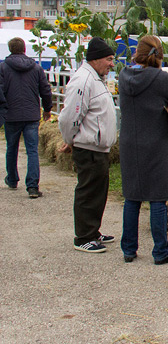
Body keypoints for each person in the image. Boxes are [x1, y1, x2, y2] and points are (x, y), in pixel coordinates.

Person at [118, 35, 168, 265]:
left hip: (128, 142)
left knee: (132, 197)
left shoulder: (123, 76)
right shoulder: (161, 78)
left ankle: (128, 249)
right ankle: (160, 251)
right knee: (158, 198)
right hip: (155, 141)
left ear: (138, 52)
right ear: (159, 55)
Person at [58, 37, 118, 253]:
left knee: (98, 191)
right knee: (88, 191)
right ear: (95, 59)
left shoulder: (95, 78)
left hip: (98, 147)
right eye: (109, 59)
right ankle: (83, 236)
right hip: (89, 147)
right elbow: (70, 116)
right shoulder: (83, 80)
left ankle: (93, 231)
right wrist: (69, 139)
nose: (112, 64)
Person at [0, 37, 52, 198]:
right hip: (31, 114)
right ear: (24, 49)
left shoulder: (3, 68)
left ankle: (13, 179)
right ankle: (32, 186)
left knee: (12, 148)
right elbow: (45, 89)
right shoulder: (36, 68)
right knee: (32, 150)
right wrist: (47, 109)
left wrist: (3, 108)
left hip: (11, 113)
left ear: (10, 49)